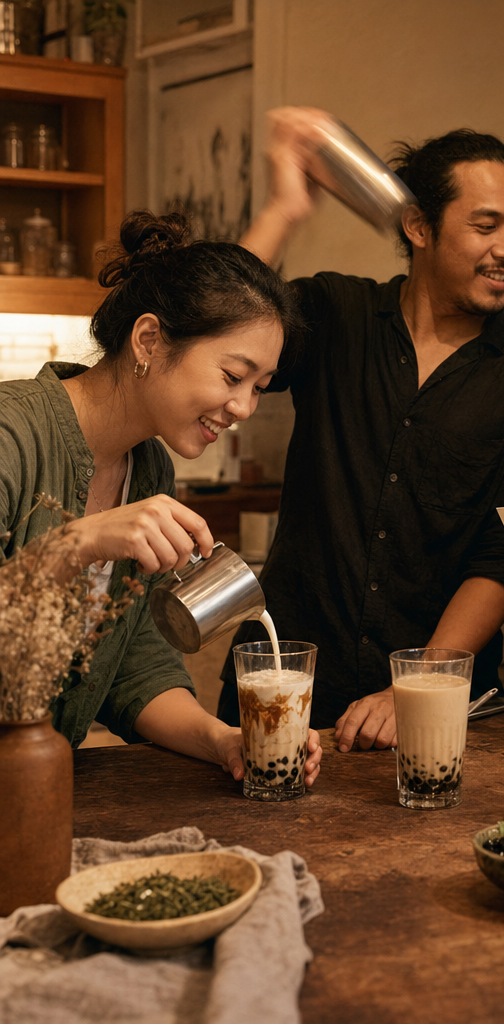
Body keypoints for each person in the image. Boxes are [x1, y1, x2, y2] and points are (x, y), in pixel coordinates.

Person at [218, 108, 504, 752]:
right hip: (284, 675)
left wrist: (420, 683)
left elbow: (501, 560)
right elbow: (218, 330)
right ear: (419, 226)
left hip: (431, 705)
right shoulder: (335, 314)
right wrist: (284, 208)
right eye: (486, 225)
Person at [0, 210, 322, 786]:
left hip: (35, 791)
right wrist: (77, 541)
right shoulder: (13, 434)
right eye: (232, 376)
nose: (244, 408)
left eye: (259, 388)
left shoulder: (147, 470)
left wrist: (222, 740)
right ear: (149, 338)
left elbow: (133, 665)